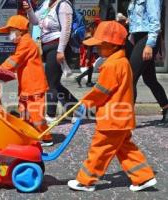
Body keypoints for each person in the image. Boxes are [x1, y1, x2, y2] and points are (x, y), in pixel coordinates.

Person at [68, 21, 156, 192]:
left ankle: (86, 181)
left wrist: (84, 104)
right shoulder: (123, 63)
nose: (98, 49)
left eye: (101, 45)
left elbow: (101, 91)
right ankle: (143, 177)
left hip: (111, 119)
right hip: (122, 118)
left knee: (100, 149)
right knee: (126, 150)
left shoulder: (111, 65)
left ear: (113, 45)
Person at [0, 15, 53, 147]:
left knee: (36, 115)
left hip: (34, 86)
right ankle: (29, 134)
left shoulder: (26, 42)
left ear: (21, 30)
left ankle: (46, 137)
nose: (10, 35)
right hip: (28, 85)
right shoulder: (23, 42)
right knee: (24, 112)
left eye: (12, 31)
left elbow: (14, 60)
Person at [23, 0, 78, 124]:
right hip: (46, 45)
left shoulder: (63, 4)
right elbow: (35, 21)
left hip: (58, 45)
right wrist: (29, 10)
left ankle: (51, 115)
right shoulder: (46, 4)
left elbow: (66, 29)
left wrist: (60, 50)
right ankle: (75, 106)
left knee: (50, 84)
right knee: (54, 82)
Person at [127, 0, 168, 127]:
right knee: (150, 79)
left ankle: (126, 118)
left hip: (147, 39)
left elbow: (155, 22)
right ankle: (166, 109)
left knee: (130, 77)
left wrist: (149, 45)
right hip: (139, 38)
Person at [75, 22, 98, 87]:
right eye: (95, 27)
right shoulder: (89, 36)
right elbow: (89, 48)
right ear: (91, 28)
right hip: (87, 53)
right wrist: (88, 58)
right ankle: (80, 78)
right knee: (90, 67)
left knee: (91, 67)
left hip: (86, 52)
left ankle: (88, 82)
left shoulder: (86, 34)